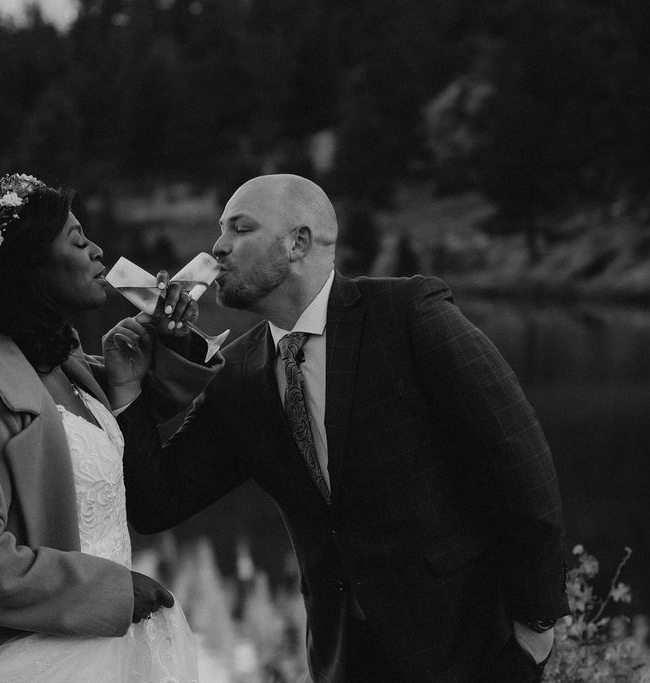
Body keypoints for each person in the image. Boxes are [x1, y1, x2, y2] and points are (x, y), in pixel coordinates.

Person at [118, 174, 570, 682]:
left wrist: (536, 625)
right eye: (221, 230)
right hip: (343, 658)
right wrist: (131, 385)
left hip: (471, 646)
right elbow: (157, 502)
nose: (218, 247)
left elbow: (518, 463)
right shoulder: (238, 377)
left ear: (298, 242)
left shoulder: (408, 315)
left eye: (240, 229)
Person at [0, 173, 210, 683]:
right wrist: (110, 591)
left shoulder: (61, 366)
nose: (98, 250)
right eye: (77, 240)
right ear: (33, 268)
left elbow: (120, 424)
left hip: (104, 647)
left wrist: (168, 346)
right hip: (33, 660)